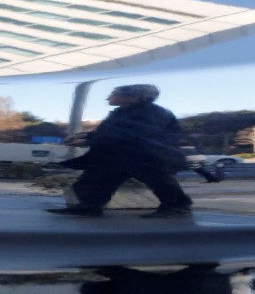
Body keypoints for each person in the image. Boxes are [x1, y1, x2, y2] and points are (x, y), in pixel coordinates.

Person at [49, 84, 193, 218]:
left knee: (159, 181)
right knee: (96, 179)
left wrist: (89, 140)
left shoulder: (151, 113)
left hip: (148, 157)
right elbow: (113, 133)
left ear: (135, 97)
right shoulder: (124, 111)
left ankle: (177, 207)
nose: (108, 97)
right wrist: (86, 135)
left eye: (114, 94)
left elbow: (135, 135)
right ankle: (89, 207)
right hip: (124, 156)